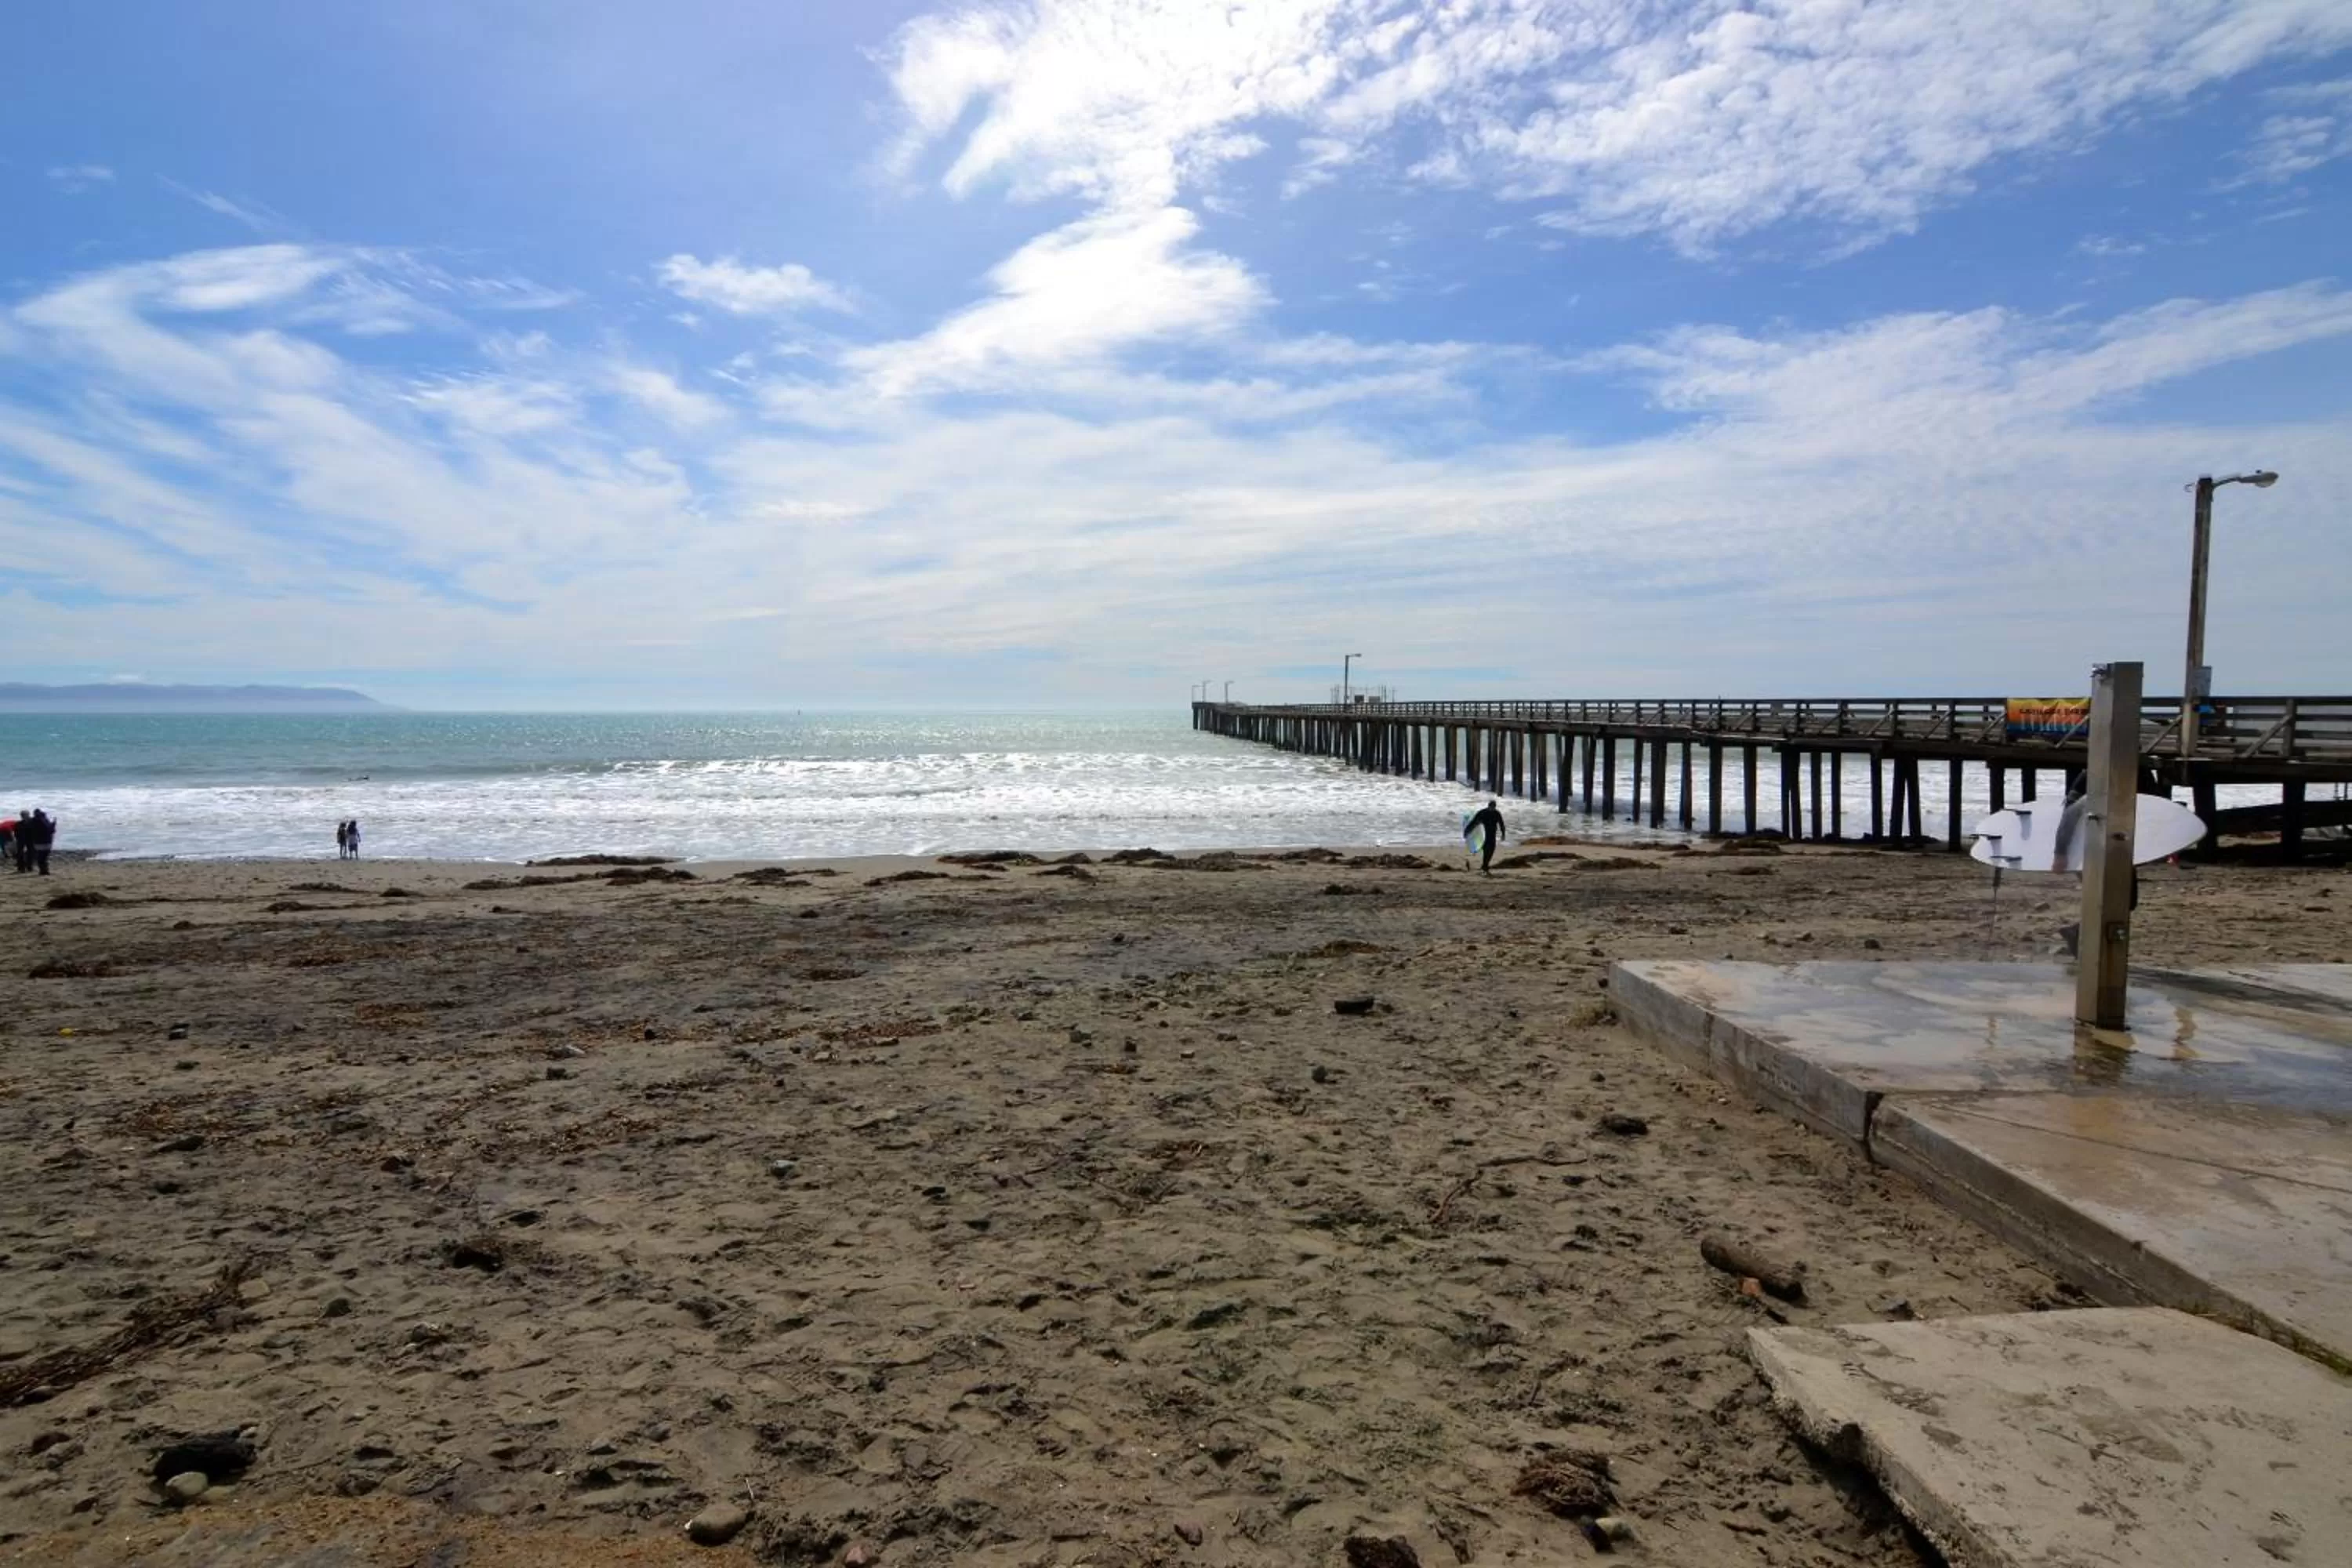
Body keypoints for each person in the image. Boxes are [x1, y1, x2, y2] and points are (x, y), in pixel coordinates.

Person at [1465, 798, 1507, 876]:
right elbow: (1474, 822)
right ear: (1488, 806)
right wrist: (1467, 831)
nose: (1492, 809)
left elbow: (1502, 824)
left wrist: (1503, 834)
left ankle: (1485, 865)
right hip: (1484, 836)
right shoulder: (1482, 813)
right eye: (1491, 807)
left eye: (1494, 807)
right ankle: (1485, 867)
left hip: (1492, 835)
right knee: (1486, 851)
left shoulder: (1497, 813)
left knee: (1491, 851)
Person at [27, 809, 54, 876]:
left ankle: (42, 870)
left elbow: (30, 832)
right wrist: (53, 824)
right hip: (47, 841)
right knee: (45, 856)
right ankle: (45, 870)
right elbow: (51, 830)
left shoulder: (32, 821)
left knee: (40, 856)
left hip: (37, 842)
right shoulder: (45, 820)